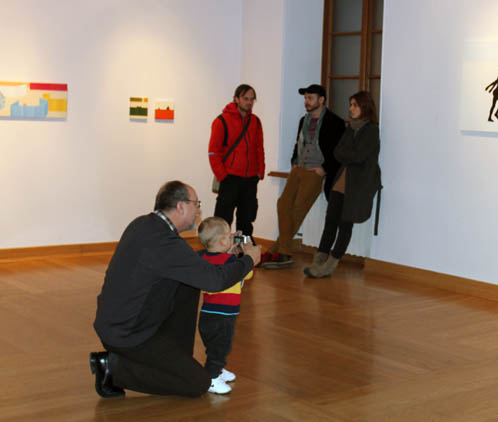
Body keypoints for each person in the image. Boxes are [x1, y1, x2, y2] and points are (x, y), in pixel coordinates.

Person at [91, 181, 261, 398]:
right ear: (180, 206)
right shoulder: (165, 243)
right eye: (196, 204)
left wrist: (224, 256)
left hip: (118, 323)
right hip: (128, 334)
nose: (198, 210)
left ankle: (177, 358)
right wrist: (248, 260)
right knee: (197, 383)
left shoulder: (144, 225)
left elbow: (199, 268)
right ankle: (113, 369)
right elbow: (214, 281)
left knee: (189, 280)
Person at [261, 84, 346, 269]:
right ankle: (280, 250)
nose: (306, 101)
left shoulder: (335, 122)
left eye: (310, 98)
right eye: (305, 98)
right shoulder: (304, 120)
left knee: (298, 209)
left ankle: (281, 251)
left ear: (321, 100)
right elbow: (298, 142)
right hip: (298, 168)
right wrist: (294, 160)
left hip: (315, 172)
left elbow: (339, 151)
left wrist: (324, 169)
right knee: (283, 204)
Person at [304, 91, 381, 278]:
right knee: (330, 222)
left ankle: (329, 267)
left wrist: (348, 154)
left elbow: (359, 156)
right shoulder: (349, 128)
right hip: (340, 182)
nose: (351, 109)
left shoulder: (371, 130)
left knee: (345, 226)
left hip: (357, 186)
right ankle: (318, 262)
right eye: (350, 105)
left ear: (365, 107)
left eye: (355, 105)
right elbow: (337, 152)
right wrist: (349, 154)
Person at [196, 217, 253, 394]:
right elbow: (247, 273)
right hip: (224, 315)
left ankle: (218, 370)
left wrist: (229, 252)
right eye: (229, 236)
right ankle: (212, 378)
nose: (232, 238)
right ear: (222, 241)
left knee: (214, 345)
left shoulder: (202, 258)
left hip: (207, 314)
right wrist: (247, 255)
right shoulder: (231, 262)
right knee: (221, 347)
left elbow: (217, 260)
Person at [209, 84, 265, 242]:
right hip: (230, 178)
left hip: (250, 179)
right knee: (223, 219)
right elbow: (213, 152)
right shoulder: (221, 121)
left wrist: (260, 171)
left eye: (252, 99)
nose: (249, 102)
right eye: (245, 98)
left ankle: (242, 249)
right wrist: (222, 175)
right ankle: (218, 248)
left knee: (246, 220)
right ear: (236, 99)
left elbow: (259, 148)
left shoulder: (256, 122)